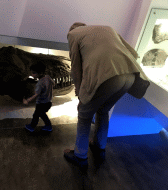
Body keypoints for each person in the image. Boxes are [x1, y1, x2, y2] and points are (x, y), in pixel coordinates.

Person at [64, 22, 150, 169]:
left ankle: (80, 156)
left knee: (84, 116)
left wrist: (80, 94)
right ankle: (99, 147)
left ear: (72, 30)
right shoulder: (108, 28)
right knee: (103, 111)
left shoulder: (73, 34)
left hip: (107, 76)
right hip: (129, 74)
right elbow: (133, 52)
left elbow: (76, 68)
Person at [23, 62, 55, 132]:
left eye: (34, 73)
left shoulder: (39, 84)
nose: (32, 74)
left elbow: (36, 94)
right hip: (48, 102)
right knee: (40, 114)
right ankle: (44, 126)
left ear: (40, 73)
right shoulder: (48, 77)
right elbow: (53, 83)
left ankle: (33, 127)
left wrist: (27, 100)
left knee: (37, 115)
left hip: (41, 103)